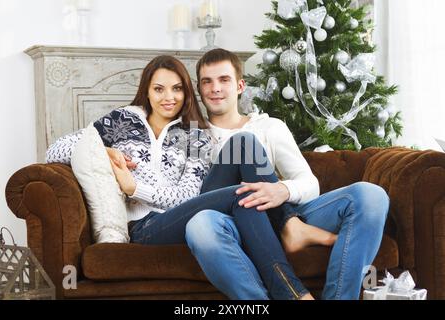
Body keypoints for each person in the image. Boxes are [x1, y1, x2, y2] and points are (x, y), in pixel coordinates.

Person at [46, 55, 310, 300]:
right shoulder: (121, 121)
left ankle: (287, 286)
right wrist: (103, 150)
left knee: (244, 180)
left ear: (187, 92)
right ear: (147, 91)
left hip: (178, 218)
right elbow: (55, 151)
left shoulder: (195, 135)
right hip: (142, 227)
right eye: (159, 89)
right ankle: (292, 289)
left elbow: (187, 197)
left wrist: (134, 187)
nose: (168, 97)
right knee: (245, 192)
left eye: (177, 89)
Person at [184, 48, 390, 300]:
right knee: (201, 225)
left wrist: (281, 190)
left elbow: (309, 183)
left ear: (240, 86)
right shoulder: (192, 136)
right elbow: (191, 196)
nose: (215, 88)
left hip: (285, 212)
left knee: (371, 196)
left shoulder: (269, 126)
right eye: (207, 82)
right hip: (233, 224)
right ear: (199, 88)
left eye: (223, 80)